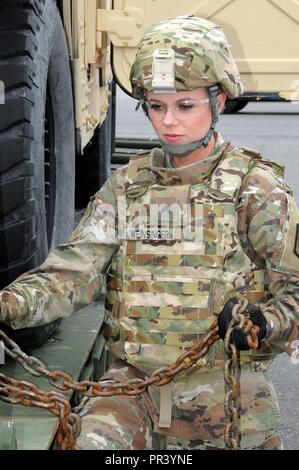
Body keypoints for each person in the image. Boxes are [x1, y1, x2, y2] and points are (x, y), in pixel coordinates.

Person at [1, 15, 299, 451]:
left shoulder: (256, 190)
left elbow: (294, 292)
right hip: (133, 390)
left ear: (217, 101)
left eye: (185, 106)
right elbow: (71, 274)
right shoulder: (128, 186)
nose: (168, 122)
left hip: (223, 393)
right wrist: (6, 304)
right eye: (156, 107)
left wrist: (262, 322)